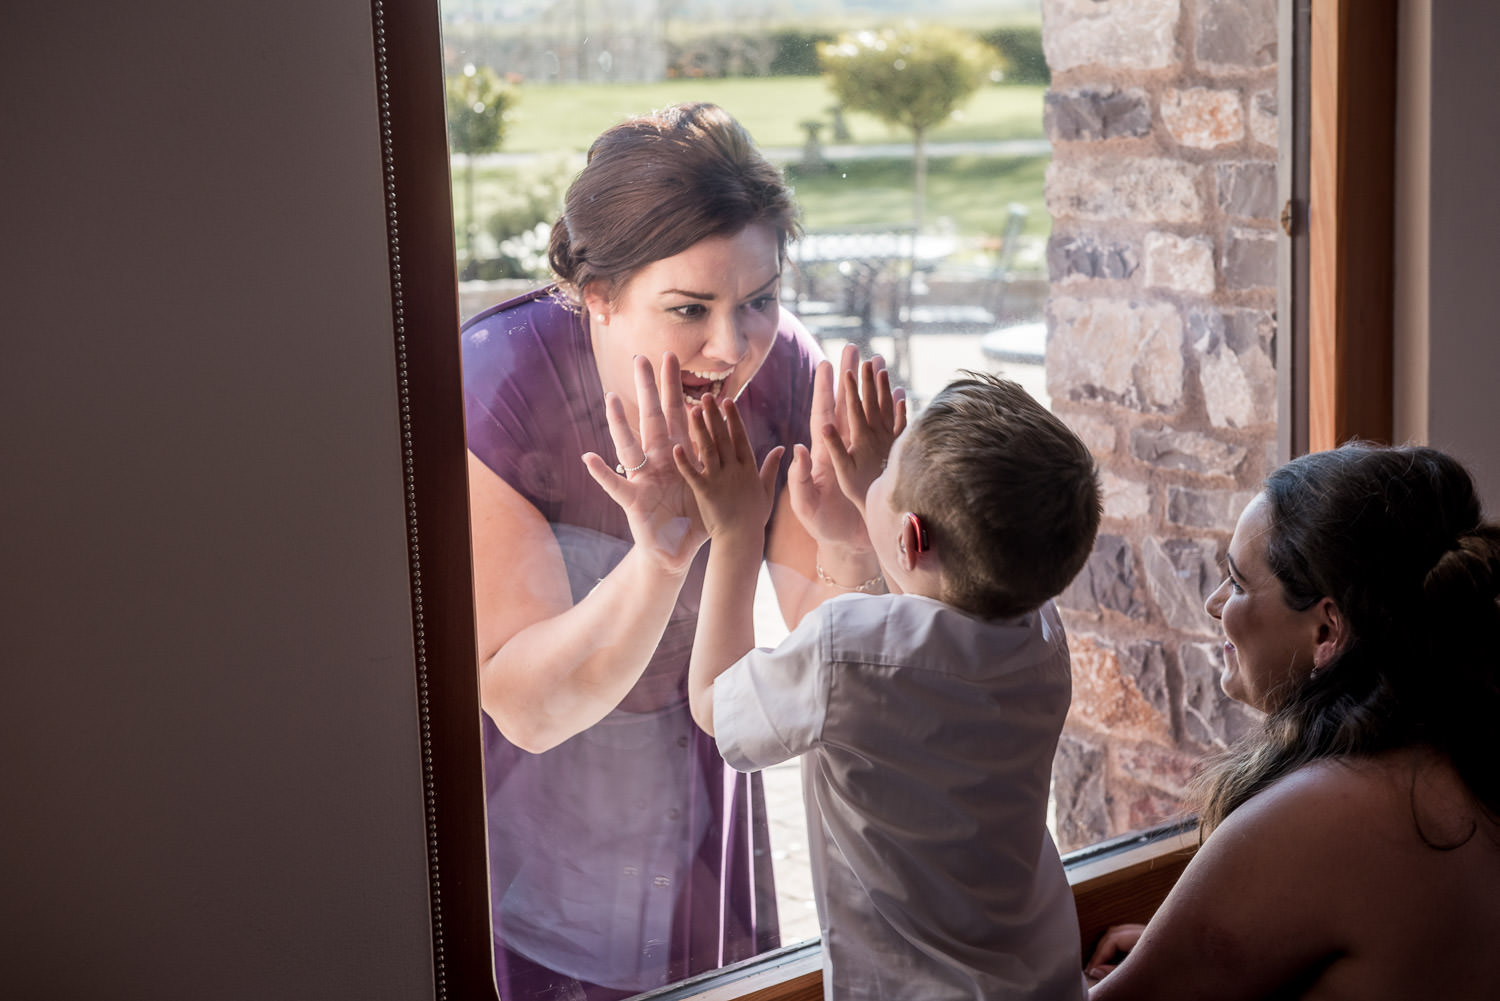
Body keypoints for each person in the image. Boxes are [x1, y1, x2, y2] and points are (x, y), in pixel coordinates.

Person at [460, 102, 895, 1000]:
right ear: (598, 294)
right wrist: (661, 555)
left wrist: (859, 534)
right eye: (689, 308)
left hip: (703, 791)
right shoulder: (493, 388)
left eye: (760, 300)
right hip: (535, 816)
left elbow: (838, 672)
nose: (732, 347)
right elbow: (526, 711)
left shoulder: (786, 374)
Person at [670, 371, 1102, 1000]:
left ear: (911, 537)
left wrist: (735, 530)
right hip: (1039, 980)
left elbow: (715, 702)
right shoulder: (1042, 632)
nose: (874, 476)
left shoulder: (842, 650)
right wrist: (869, 520)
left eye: (885, 472)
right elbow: (936, 613)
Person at [1085, 442, 1500, 1000]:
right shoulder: (1464, 755)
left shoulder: (1321, 812)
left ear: (1326, 631)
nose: (1214, 603)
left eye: (1236, 583)